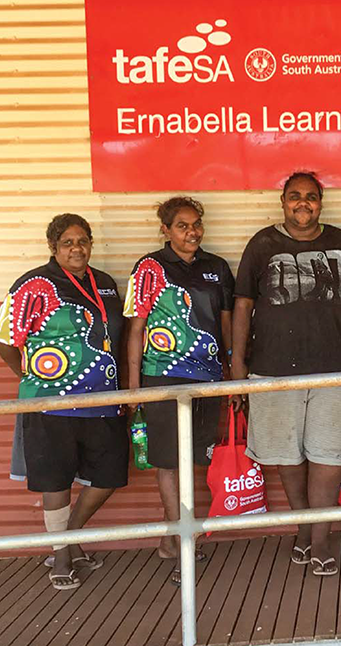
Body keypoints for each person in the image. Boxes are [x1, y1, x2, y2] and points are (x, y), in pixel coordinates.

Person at [231, 171, 341, 577]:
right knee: (287, 457)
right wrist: (238, 363)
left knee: (328, 455)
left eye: (311, 196)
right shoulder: (262, 244)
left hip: (337, 369)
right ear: (283, 202)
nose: (302, 203)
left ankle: (320, 540)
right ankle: (305, 530)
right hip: (272, 370)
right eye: (295, 196)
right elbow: (242, 306)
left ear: (321, 202)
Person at [0, 213, 127, 591]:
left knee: (110, 474)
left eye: (83, 240)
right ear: (54, 247)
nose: (77, 248)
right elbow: (1, 337)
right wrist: (30, 375)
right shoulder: (33, 283)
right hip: (50, 403)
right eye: (67, 242)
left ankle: (69, 535)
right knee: (56, 477)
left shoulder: (105, 283)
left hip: (103, 399)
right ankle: (63, 555)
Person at [123, 196, 234, 582]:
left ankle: (175, 537)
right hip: (162, 378)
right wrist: (135, 389)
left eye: (196, 224)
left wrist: (230, 374)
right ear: (166, 230)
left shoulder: (216, 268)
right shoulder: (149, 267)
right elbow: (135, 331)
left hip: (206, 379)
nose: (192, 232)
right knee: (169, 461)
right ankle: (181, 540)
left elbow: (226, 326)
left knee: (192, 460)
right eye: (182, 225)